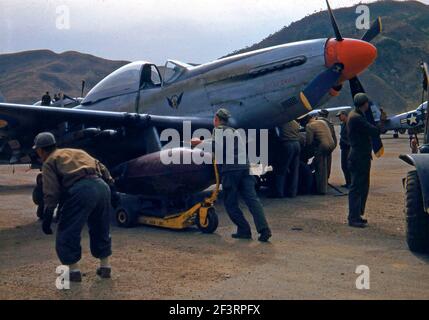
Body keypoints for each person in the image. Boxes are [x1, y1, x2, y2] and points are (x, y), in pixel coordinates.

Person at [33, 132, 118, 281]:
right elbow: (102, 167)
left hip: (81, 190)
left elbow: (51, 192)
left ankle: (74, 271)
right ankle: (105, 266)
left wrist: (48, 215)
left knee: (68, 230)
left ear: (40, 150)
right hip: (102, 187)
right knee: (101, 227)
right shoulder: (77, 152)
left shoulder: (49, 161)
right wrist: (113, 189)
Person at [192, 108, 272, 242]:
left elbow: (215, 146)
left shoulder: (218, 130)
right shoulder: (235, 132)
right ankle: (264, 230)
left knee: (230, 203)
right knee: (252, 200)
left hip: (231, 170)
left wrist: (198, 143)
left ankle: (244, 230)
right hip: (245, 168)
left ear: (216, 119)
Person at [347, 93, 386, 228]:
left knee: (362, 186)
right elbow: (374, 131)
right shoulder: (357, 118)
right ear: (365, 104)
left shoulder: (355, 115)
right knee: (357, 187)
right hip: (359, 157)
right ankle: (353, 218)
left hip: (360, 156)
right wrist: (382, 121)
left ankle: (357, 215)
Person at [305, 115, 335, 195]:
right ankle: (324, 186)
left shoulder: (309, 125)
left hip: (323, 146)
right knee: (324, 166)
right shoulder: (322, 121)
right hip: (331, 144)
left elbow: (309, 141)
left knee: (319, 168)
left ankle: (321, 190)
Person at [271, 120, 301, 198]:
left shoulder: (281, 121)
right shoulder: (295, 122)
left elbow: (275, 133)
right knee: (295, 170)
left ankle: (279, 192)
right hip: (297, 144)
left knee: (281, 169)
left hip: (287, 144)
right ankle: (293, 192)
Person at [317, 109, 337, 179]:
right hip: (329, 146)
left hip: (322, 146)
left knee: (321, 165)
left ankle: (322, 182)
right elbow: (334, 138)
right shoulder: (330, 124)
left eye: (320, 114)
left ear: (322, 115)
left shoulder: (320, 123)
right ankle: (326, 180)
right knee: (327, 164)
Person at [336, 111, 351, 188]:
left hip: (348, 148)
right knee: (344, 166)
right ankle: (348, 182)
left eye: (340, 116)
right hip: (344, 148)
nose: (339, 117)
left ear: (345, 115)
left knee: (348, 166)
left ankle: (351, 183)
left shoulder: (349, 124)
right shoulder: (343, 124)